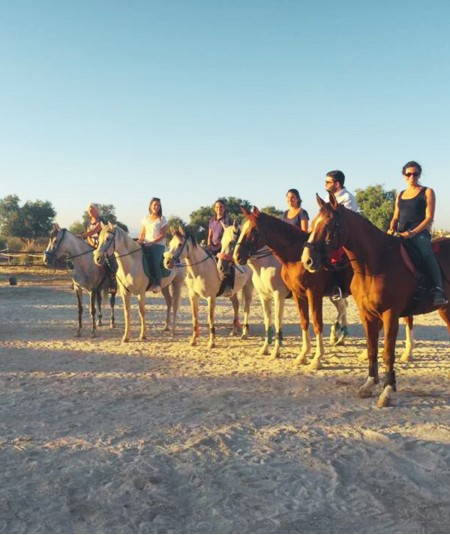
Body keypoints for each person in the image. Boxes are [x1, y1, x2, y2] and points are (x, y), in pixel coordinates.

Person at [388, 161, 447, 307]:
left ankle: (438, 290)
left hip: (419, 233)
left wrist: (412, 232)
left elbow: (429, 218)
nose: (412, 177)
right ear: (404, 176)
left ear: (419, 174)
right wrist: (391, 229)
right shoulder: (400, 194)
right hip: (401, 233)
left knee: (426, 253)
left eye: (415, 173)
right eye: (409, 174)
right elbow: (396, 216)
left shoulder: (427, 191)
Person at [324, 171, 358, 300]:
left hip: (344, 236)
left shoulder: (348, 198)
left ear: (337, 183)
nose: (325, 184)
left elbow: (347, 222)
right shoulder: (328, 198)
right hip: (330, 234)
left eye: (328, 182)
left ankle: (339, 287)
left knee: (335, 257)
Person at [79, 203, 117, 292]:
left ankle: (112, 283)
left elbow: (93, 231)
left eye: (93, 210)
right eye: (90, 210)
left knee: (110, 263)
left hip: (102, 245)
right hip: (91, 245)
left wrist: (81, 236)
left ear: (97, 211)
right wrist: (91, 244)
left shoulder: (102, 221)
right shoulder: (88, 222)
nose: (91, 212)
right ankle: (78, 280)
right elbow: (89, 235)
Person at [138, 197, 168, 293]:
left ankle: (158, 284)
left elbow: (163, 235)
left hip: (158, 245)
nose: (157, 207)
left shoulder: (162, 219)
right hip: (146, 243)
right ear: (150, 206)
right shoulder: (145, 219)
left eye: (158, 205)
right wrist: (139, 241)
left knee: (155, 261)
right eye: (155, 205)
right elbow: (142, 234)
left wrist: (153, 242)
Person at [207, 199, 233, 296]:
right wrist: (209, 244)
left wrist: (220, 245)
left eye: (221, 207)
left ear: (224, 208)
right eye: (217, 207)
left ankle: (228, 286)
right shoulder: (212, 221)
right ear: (215, 209)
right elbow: (210, 235)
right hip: (212, 246)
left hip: (223, 247)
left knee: (228, 265)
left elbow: (230, 235)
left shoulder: (228, 220)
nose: (219, 209)